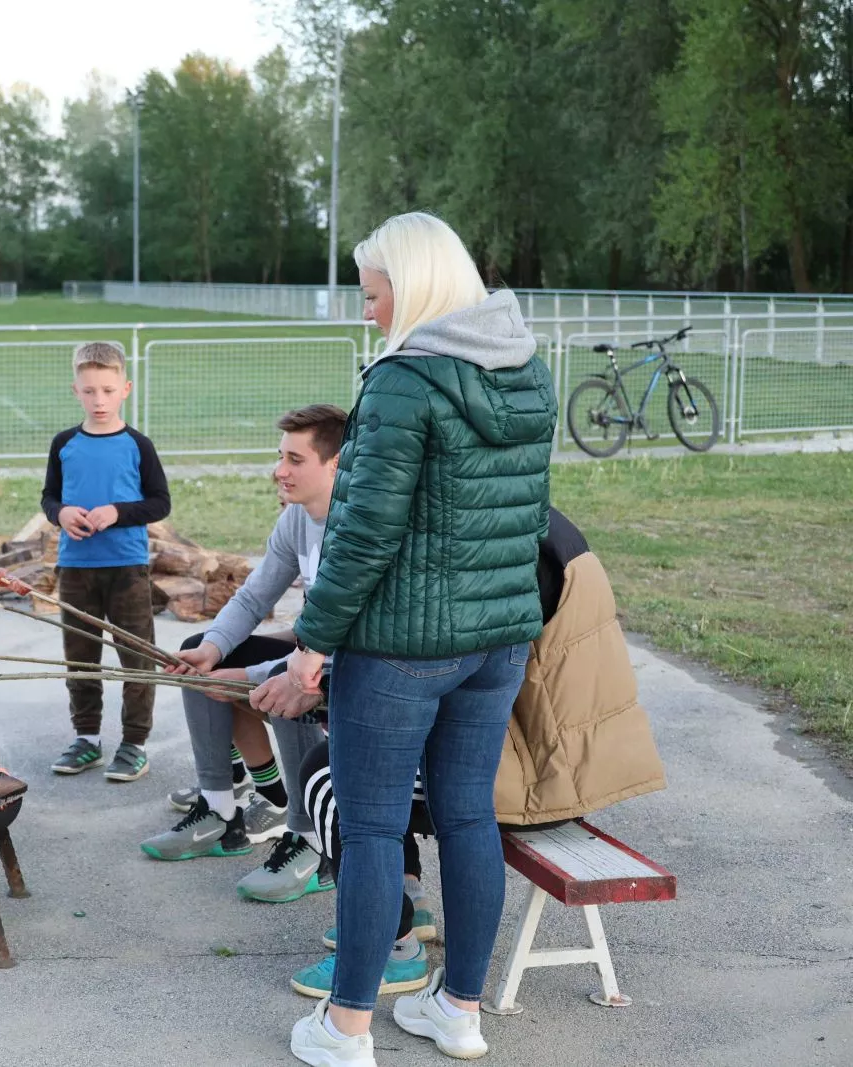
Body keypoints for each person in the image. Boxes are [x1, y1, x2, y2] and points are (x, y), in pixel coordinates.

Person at [284, 212, 557, 1067]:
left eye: (375, 293)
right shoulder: (527, 369)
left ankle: (346, 1028)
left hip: (401, 648)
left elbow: (364, 534)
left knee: (370, 829)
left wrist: (311, 641)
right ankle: (458, 1010)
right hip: (498, 641)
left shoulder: (403, 382)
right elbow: (528, 517)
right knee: (469, 814)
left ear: (417, 285)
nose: (367, 310)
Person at [287, 507, 667, 1004]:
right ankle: (429, 944)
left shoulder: (467, 539)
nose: (280, 474)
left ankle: (393, 950)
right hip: (559, 760)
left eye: (294, 465)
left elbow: (431, 667)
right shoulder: (527, 525)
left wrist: (322, 680)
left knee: (335, 775)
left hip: (538, 774)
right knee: (392, 769)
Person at [138, 405, 343, 905]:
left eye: (295, 459)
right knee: (196, 657)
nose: (279, 470)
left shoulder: (356, 526)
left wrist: (250, 673)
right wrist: (213, 650)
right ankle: (220, 812)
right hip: (313, 653)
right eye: (280, 456)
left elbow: (341, 647)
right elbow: (253, 598)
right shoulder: (297, 519)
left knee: (291, 683)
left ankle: (310, 838)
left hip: (349, 668)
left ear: (335, 464)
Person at [41, 341, 170, 782]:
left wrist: (118, 511)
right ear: (75, 390)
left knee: (137, 658)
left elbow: (160, 503)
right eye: (90, 390)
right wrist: (60, 513)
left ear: (125, 389)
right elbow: (49, 497)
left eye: (108, 390)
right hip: (76, 569)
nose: (99, 400)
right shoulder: (64, 444)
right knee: (81, 659)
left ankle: (134, 743)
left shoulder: (138, 445)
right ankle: (87, 738)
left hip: (127, 569)